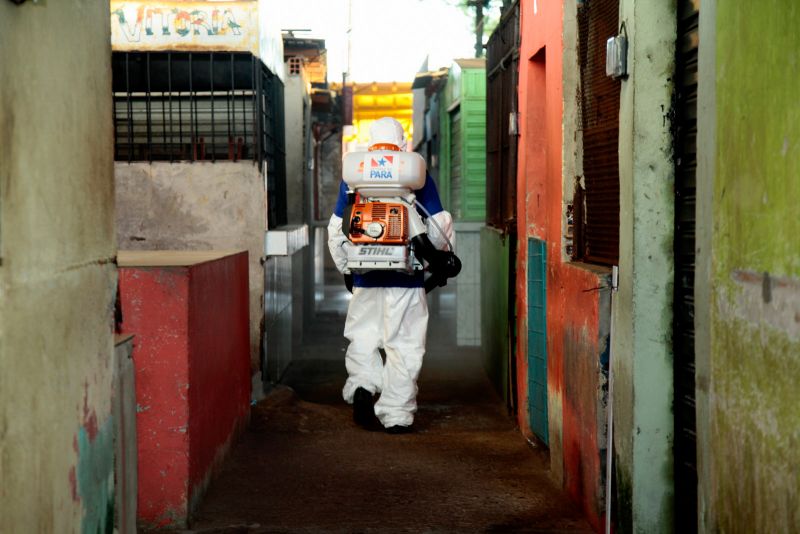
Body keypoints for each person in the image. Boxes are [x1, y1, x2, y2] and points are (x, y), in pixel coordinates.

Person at [327, 117, 455, 434]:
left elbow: (336, 229)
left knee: (363, 338)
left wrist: (347, 267)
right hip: (407, 278)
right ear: (401, 141)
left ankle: (362, 386)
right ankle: (396, 414)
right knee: (404, 345)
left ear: (371, 141)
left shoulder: (354, 174)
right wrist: (434, 262)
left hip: (364, 276)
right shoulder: (414, 172)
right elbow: (438, 224)